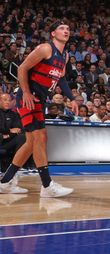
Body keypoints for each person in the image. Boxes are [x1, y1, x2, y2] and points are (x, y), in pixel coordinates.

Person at [0, 21, 73, 197]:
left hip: (39, 98)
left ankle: (5, 182)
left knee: (32, 142)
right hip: (28, 96)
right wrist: (25, 91)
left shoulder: (65, 56)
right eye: (62, 28)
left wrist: (72, 98)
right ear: (53, 34)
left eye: (68, 29)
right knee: (40, 137)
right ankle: (47, 185)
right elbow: (23, 68)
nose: (66, 31)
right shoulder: (45, 48)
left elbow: (61, 80)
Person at [0, 93, 25, 172]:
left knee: (22, 137)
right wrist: (9, 131)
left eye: (9, 100)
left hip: (8, 140)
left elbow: (18, 129)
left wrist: (7, 135)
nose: (7, 102)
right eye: (5, 100)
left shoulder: (14, 114)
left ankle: (15, 166)